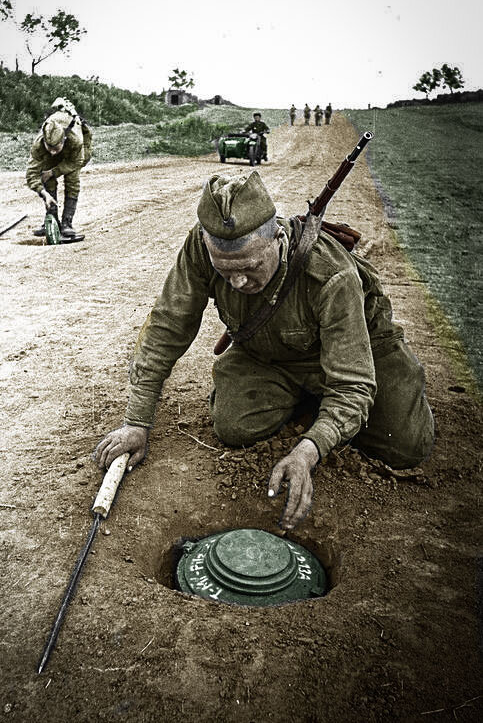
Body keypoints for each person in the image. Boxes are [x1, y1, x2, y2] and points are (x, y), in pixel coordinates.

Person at [94, 171, 434, 531]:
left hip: (361, 347)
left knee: (406, 445)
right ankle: (312, 401)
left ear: (278, 237)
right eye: (225, 271)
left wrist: (309, 449)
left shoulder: (331, 275)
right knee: (234, 425)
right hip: (269, 351)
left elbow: (353, 383)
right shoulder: (201, 247)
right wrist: (137, 421)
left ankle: (328, 406)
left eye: (250, 267)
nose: (238, 283)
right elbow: (167, 326)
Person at [26, 97, 92, 239]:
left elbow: (77, 162)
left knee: (72, 180)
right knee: (46, 178)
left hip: (74, 154)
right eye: (49, 148)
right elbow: (31, 174)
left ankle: (67, 223)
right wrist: (44, 193)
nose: (52, 152)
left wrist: (54, 172)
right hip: (59, 149)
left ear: (63, 140)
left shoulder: (75, 139)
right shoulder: (39, 144)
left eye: (55, 148)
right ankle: (52, 220)